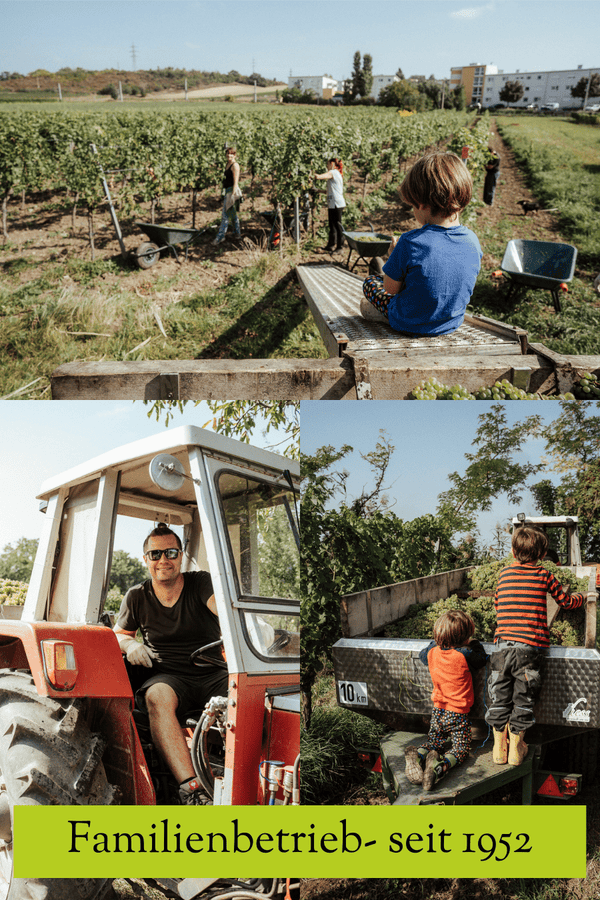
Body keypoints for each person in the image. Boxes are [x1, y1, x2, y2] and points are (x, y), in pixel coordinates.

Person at [113, 523, 228, 804]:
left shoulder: (201, 583)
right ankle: (193, 790)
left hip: (213, 671)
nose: (163, 560)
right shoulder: (137, 596)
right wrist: (131, 645)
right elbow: (119, 634)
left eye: (171, 552)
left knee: (249, 697)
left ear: (181, 555)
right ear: (146, 560)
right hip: (169, 676)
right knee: (156, 697)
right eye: (155, 554)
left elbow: (224, 612)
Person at [485, 526, 585, 767]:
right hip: (530, 649)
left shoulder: (503, 574)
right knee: (524, 696)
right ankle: (517, 748)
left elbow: (497, 603)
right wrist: (582, 597)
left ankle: (499, 747)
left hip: (501, 647)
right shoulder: (544, 574)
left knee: (499, 694)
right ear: (542, 554)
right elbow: (565, 601)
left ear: (512, 552)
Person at [361, 151, 482, 335]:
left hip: (408, 322)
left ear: (422, 203)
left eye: (412, 205)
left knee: (371, 282)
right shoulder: (473, 241)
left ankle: (382, 314)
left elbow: (390, 289)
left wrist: (393, 254)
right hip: (451, 322)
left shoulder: (410, 242)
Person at [405, 610, 486, 791]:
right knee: (460, 749)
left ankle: (418, 755)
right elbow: (482, 659)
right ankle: (439, 768)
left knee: (435, 742)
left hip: (438, 711)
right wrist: (475, 644)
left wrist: (437, 641)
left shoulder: (432, 652)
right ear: (465, 638)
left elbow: (421, 654)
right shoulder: (465, 654)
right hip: (457, 714)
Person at [314, 158, 345, 253]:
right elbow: (328, 191)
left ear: (332, 164)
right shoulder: (335, 174)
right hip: (332, 203)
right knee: (332, 225)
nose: (327, 166)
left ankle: (340, 247)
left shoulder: (334, 172)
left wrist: (313, 175)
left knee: (337, 225)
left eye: (327, 164)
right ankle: (331, 245)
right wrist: (317, 190)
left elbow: (319, 177)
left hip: (337, 203)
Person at [213, 146, 241, 245]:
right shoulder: (227, 164)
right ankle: (237, 233)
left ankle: (220, 237)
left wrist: (232, 195)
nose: (229, 155)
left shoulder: (235, 166)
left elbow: (236, 182)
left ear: (235, 155)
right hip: (227, 191)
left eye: (231, 153)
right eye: (228, 153)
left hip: (231, 192)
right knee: (232, 214)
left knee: (225, 216)